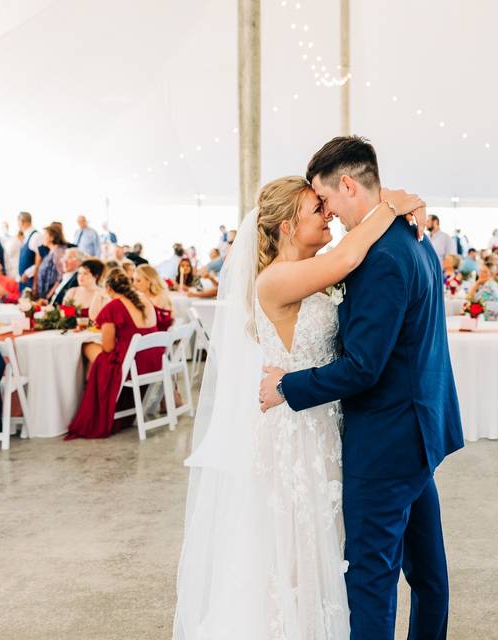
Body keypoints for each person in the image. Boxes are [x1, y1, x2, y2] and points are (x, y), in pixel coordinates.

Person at [178, 142, 455, 638]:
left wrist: (288, 383)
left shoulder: (377, 251)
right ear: (288, 226)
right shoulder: (330, 263)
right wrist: (395, 203)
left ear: (347, 185)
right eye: (315, 209)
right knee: (305, 561)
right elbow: (348, 257)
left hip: (371, 431)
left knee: (367, 571)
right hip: (316, 434)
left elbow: (363, 364)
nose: (327, 214)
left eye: (326, 202)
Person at [65, 271, 162, 440]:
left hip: (133, 364)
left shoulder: (114, 306)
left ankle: (87, 404)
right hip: (153, 360)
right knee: (97, 353)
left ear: (108, 288)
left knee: (86, 346)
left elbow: (109, 348)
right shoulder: (144, 299)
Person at [134, 264, 174, 331]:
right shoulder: (143, 297)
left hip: (158, 338)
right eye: (133, 280)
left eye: (138, 280)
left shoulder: (159, 298)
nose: (134, 284)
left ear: (149, 281)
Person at [36, 224, 69, 301]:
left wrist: (48, 296)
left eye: (45, 235)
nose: (43, 238)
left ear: (52, 237)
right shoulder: (52, 251)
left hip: (50, 295)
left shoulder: (58, 252)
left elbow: (61, 277)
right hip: (45, 293)